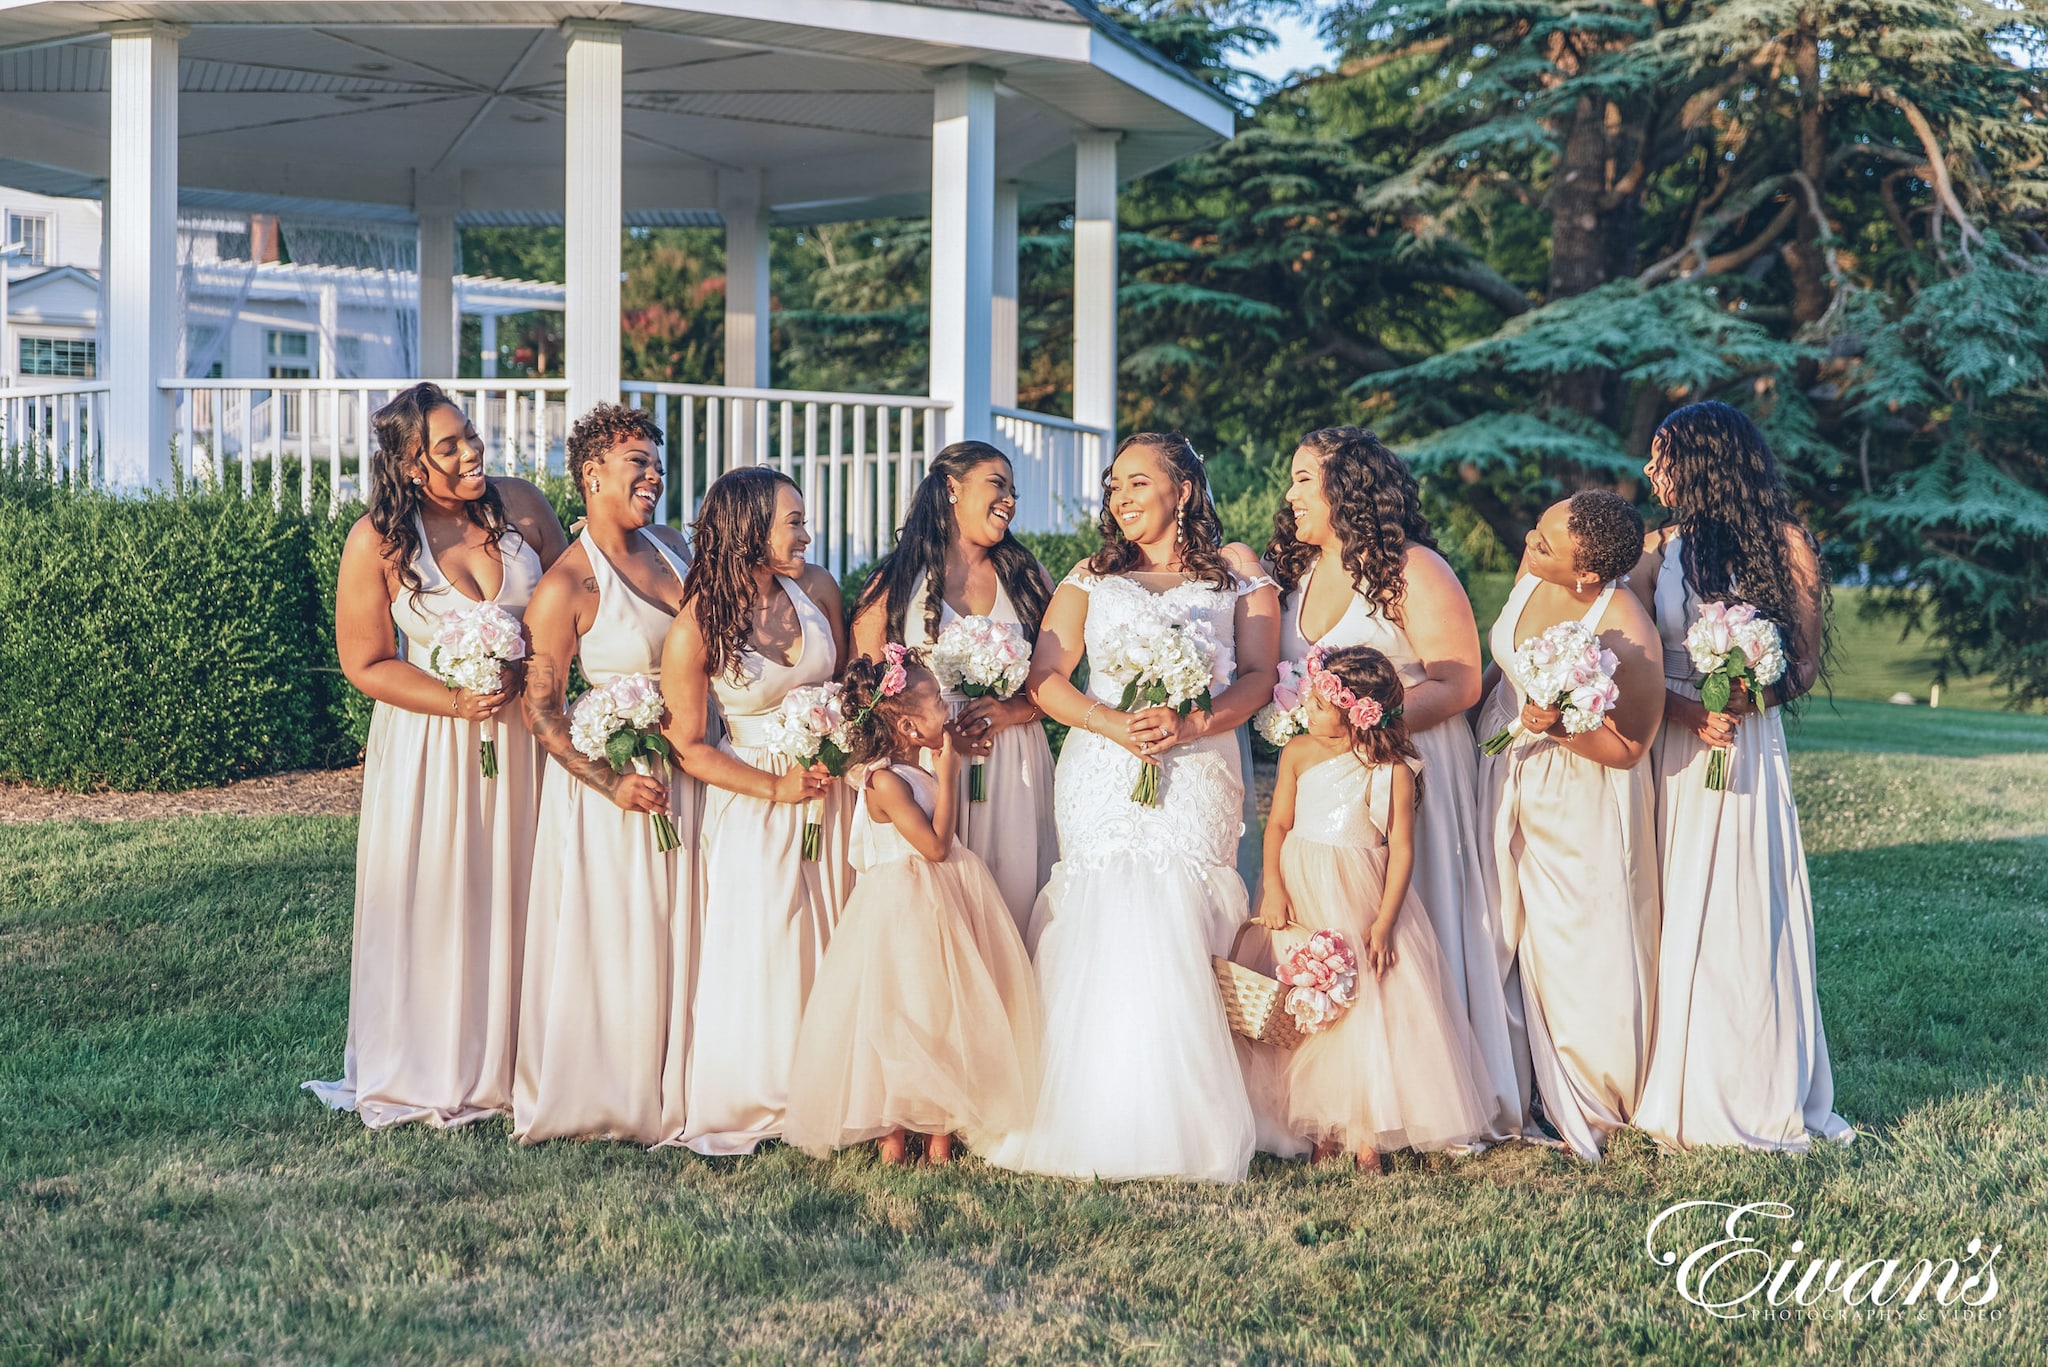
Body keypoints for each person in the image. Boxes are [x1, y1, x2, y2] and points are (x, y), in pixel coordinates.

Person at [984, 432, 1280, 1184]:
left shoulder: (1239, 572)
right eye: (1114, 485)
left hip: (1198, 763)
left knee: (1182, 908)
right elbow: (1047, 677)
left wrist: (1194, 722)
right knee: (1103, 908)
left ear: (1183, 490)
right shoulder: (1091, 574)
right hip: (1104, 767)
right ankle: (1087, 1110)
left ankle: (1193, 1116)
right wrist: (1112, 725)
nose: (1121, 498)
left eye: (1139, 483)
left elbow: (1257, 677)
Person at [309, 382, 567, 1127]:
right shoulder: (378, 541)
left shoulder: (522, 506)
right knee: (442, 891)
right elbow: (366, 662)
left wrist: (537, 672)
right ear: (411, 465)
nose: (472, 451)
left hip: (523, 737)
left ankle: (527, 1058)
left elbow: (575, 605)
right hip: (432, 747)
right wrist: (456, 700)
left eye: (472, 435)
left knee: (524, 886)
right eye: (449, 445)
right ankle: (433, 1057)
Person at [1267, 425, 1526, 1141]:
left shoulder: (1412, 569)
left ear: (1347, 490)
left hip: (1409, 768)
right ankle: (1349, 1098)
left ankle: (1435, 1096)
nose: (1290, 496)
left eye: (1303, 479)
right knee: (1338, 927)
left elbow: (1461, 678)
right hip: (1326, 792)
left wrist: (1367, 729)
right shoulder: (1295, 578)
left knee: (1421, 929)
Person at [1630, 401, 1853, 1150]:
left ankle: (1745, 1083)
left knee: (1740, 905)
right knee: (1668, 903)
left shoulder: (1786, 544)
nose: (1650, 472)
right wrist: (1690, 713)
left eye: (1662, 458)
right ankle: (1662, 1074)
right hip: (1672, 743)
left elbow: (1806, 661)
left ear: (1701, 461)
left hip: (1748, 745)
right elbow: (1626, 657)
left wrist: (1749, 690)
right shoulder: (1657, 548)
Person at [514, 403, 699, 1145]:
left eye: (657, 463)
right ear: (592, 475)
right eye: (638, 464)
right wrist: (613, 782)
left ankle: (683, 1078)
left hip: (692, 767)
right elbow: (543, 711)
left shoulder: (676, 546)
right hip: (613, 795)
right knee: (623, 935)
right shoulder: (566, 587)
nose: (654, 476)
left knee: (684, 929)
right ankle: (613, 1090)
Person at [784, 648, 1042, 1166]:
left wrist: (944, 767)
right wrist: (949, 774)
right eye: (936, 705)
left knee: (943, 1017)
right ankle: (893, 1140)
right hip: (903, 919)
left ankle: (940, 1140)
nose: (948, 711)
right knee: (903, 1021)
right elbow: (936, 847)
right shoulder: (883, 782)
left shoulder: (915, 769)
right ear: (905, 724)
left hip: (943, 909)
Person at [660, 467, 846, 1155]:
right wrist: (775, 789)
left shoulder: (818, 590)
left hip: (830, 789)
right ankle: (761, 1095)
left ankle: (832, 1083)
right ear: (748, 530)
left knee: (832, 931)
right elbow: (687, 746)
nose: (806, 533)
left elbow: (852, 688)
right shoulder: (697, 628)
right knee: (765, 943)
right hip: (753, 796)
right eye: (792, 521)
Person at [1475, 490, 1662, 1161]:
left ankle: (1586, 1096)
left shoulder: (1627, 630)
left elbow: (1632, 747)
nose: (1530, 539)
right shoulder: (1532, 575)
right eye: (1538, 525)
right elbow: (1504, 664)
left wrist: (1557, 731)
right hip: (1499, 764)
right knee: (1497, 926)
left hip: (1577, 790)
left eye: (1546, 541)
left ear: (1588, 575)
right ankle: (1507, 1081)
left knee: (1573, 937)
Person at [1256, 645, 1493, 1170]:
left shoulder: (1390, 770)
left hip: (1358, 895)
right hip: (1302, 892)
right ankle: (1320, 1124)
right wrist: (1273, 885)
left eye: (1319, 704)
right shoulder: (1298, 752)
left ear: (1356, 712)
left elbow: (1400, 850)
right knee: (1308, 1003)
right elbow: (1277, 825)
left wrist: (1384, 924)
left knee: (1363, 1007)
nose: (1307, 711)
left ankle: (1367, 1130)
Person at [848, 440, 1057, 935]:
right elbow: (865, 701)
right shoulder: (895, 582)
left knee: (1013, 905)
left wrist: (1013, 713)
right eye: (997, 485)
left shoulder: (1028, 578)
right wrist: (940, 744)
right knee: (940, 924)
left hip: (1013, 766)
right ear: (951, 488)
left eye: (1013, 491)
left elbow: (1060, 683)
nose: (1009, 500)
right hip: (928, 769)